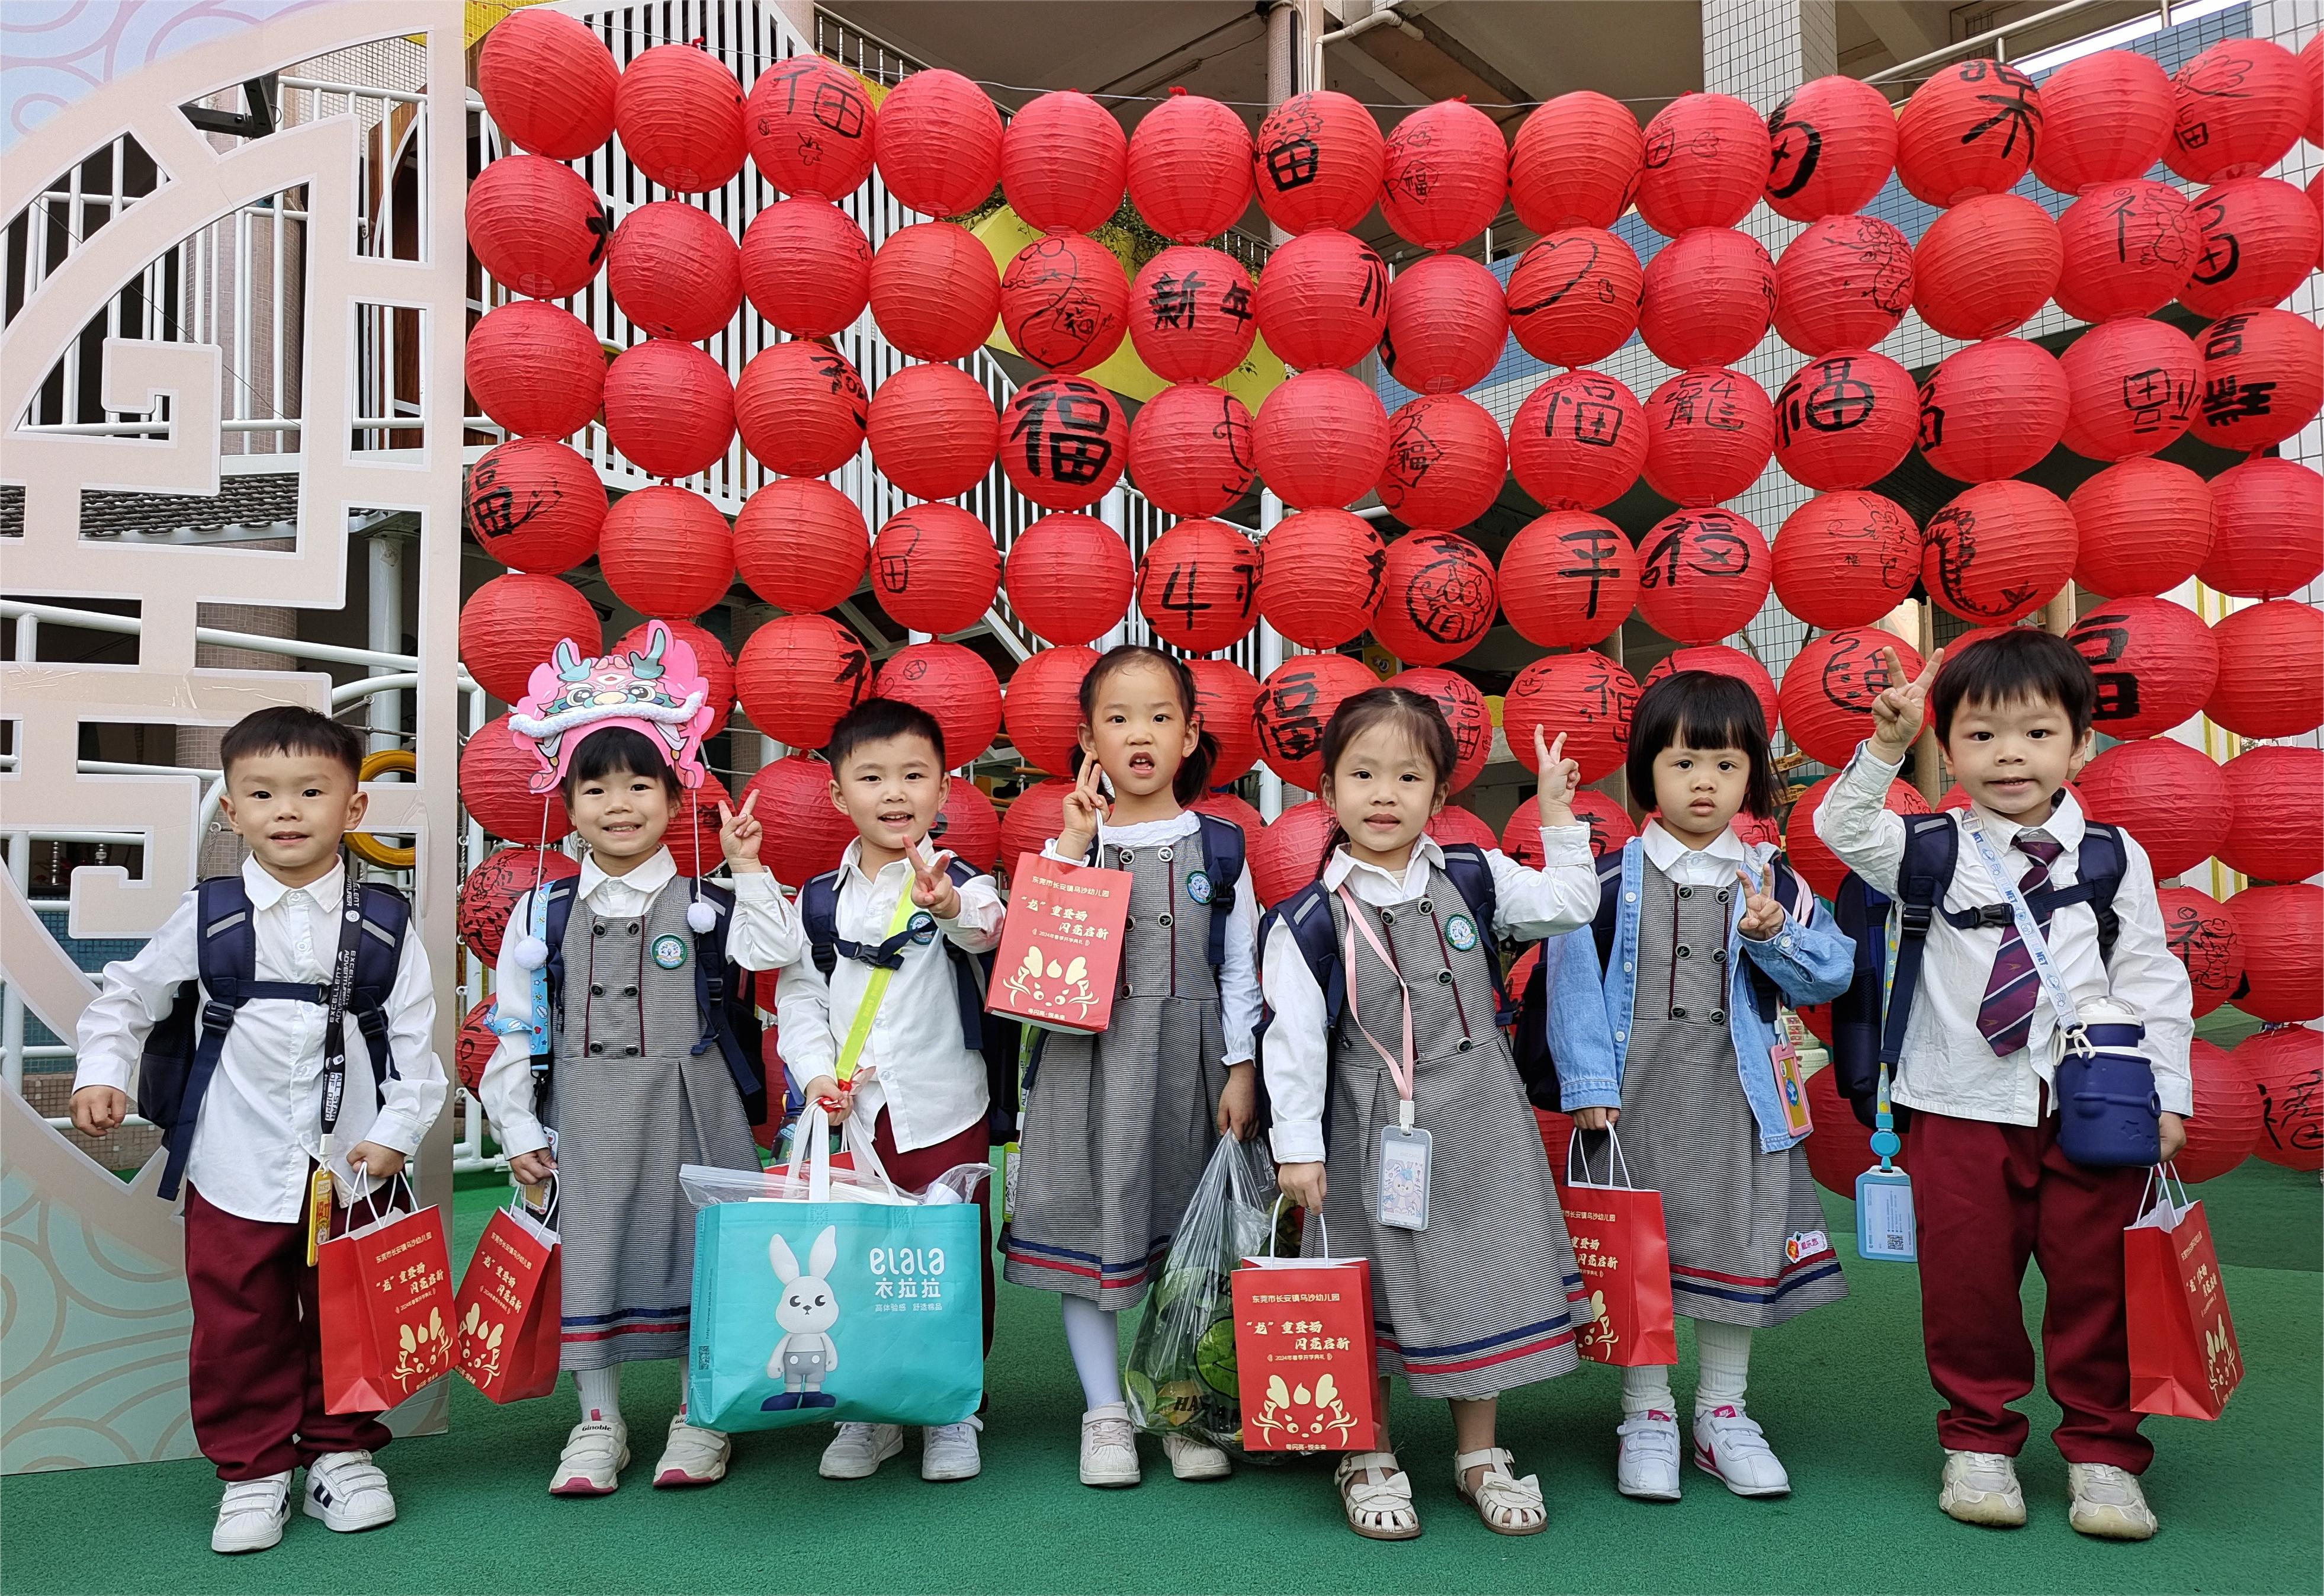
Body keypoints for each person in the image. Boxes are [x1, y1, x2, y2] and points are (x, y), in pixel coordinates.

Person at [1813, 630, 2193, 1541]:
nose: (2010, 754)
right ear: (1948, 749)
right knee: (1967, 1284)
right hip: (1956, 1105)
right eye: (1981, 736)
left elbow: (2150, 976)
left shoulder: (2111, 854)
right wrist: (1883, 746)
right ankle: (1979, 1440)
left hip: (2093, 1105)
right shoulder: (1925, 845)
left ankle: (2103, 1452)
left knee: (2098, 1282)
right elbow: (1840, 828)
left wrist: (2168, 1092)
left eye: (2036, 732)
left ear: (2081, 745)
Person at [71, 706, 447, 1555]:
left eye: (312, 791)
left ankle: (340, 1452)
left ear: (352, 809)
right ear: (232, 812)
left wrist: (394, 1132)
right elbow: (128, 995)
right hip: (234, 1159)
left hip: (351, 1164)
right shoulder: (208, 915)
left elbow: (417, 1044)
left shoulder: (384, 923)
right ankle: (252, 1468)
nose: (288, 809)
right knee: (240, 1315)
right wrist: (102, 1071)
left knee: (347, 1311)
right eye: (263, 793)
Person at [1261, 686, 1601, 1540]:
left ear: (1440, 795)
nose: (1385, 793)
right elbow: (1293, 1043)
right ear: (1326, 792)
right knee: (1365, 1283)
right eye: (1363, 773)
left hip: (1481, 1109)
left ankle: (1478, 1454)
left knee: (1478, 1273)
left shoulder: (1480, 876)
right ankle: (1367, 1451)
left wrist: (1557, 817)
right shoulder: (1304, 919)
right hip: (1365, 1120)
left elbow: (1573, 903)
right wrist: (1298, 1147)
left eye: (1408, 776)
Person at [477, 705, 803, 1498]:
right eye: (597, 788)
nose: (619, 804)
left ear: (673, 793)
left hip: (698, 1101)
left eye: (639, 784)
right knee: (593, 1248)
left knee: (707, 1253)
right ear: (568, 800)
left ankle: (703, 1412)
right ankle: (598, 1423)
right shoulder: (541, 910)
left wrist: (749, 868)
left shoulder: (712, 901)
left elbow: (779, 953)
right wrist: (516, 1120)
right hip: (585, 1107)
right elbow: (513, 1022)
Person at [1554, 671, 1855, 1503]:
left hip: (1742, 1095)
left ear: (1751, 774)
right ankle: (1646, 1412)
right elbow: (1571, 978)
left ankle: (1724, 1413)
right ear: (1646, 770)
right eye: (1684, 762)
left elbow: (1833, 973)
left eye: (1725, 765)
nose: (1703, 783)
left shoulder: (1773, 879)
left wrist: (1777, 934)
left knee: (1736, 1241)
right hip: (1630, 1096)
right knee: (1639, 1249)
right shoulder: (1608, 878)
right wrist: (1585, 1080)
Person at [1001, 643, 1260, 1489]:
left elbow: (1241, 968)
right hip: (1088, 1066)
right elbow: (1032, 949)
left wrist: (1241, 1067)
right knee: (1091, 1235)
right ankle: (1104, 1411)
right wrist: (1074, 840)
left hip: (1189, 1069)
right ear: (1088, 740)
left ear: (1190, 736)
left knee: (1187, 1243)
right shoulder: (1078, 843)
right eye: (1118, 719)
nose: (1139, 735)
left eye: (1159, 717)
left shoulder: (1222, 846)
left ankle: (1181, 1406)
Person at [774, 697, 1005, 1485]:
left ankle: (951, 1408)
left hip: (946, 1109)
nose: (895, 791)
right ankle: (868, 1409)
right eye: (872, 776)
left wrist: (943, 903)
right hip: (853, 1121)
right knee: (859, 1261)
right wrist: (813, 1074)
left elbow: (987, 925)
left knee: (948, 1260)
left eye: (914, 774)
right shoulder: (815, 899)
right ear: (839, 794)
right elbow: (798, 997)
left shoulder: (962, 881)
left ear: (945, 789)